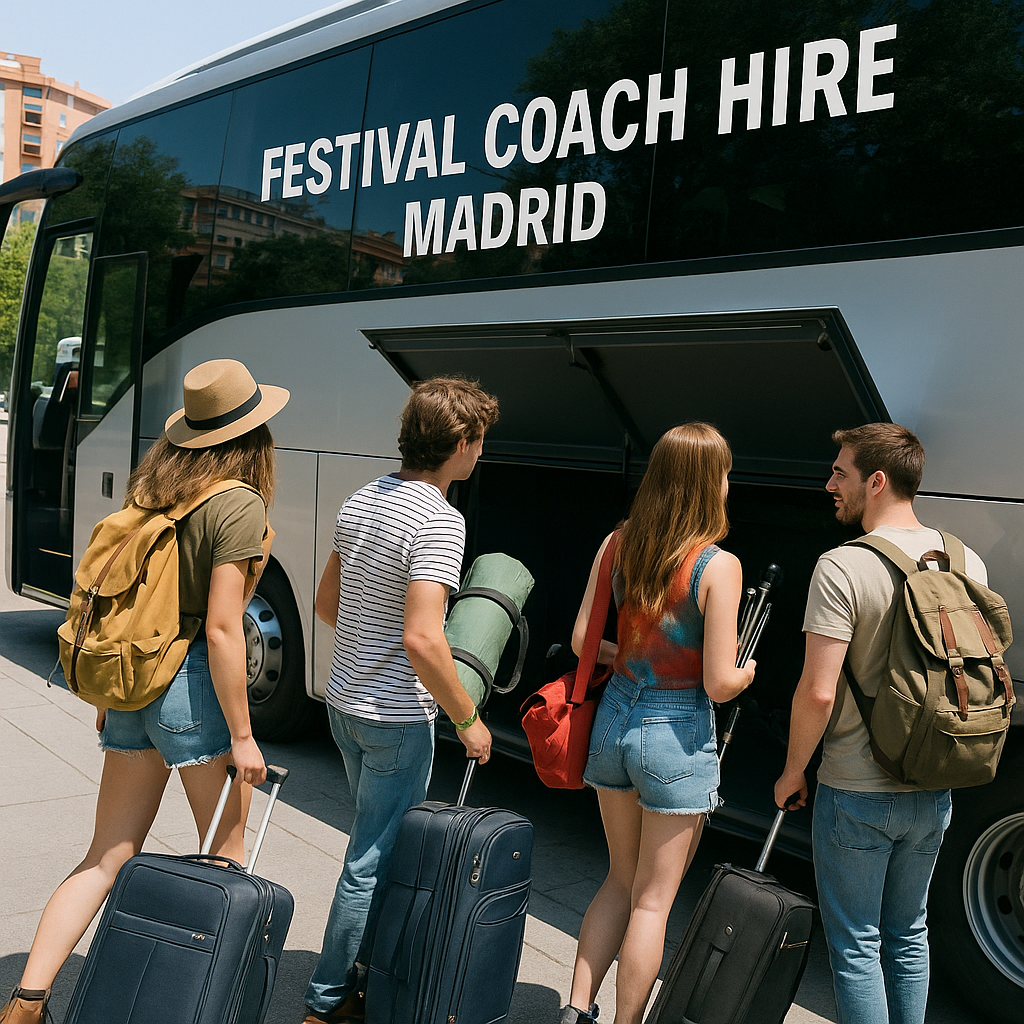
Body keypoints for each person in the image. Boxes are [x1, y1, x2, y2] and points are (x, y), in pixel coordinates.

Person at [0, 358, 288, 1024]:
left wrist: (111, 700)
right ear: (251, 435)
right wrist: (244, 737)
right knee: (227, 860)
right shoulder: (236, 502)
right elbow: (221, 629)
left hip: (132, 687)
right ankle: (206, 1007)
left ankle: (27, 1000)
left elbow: (124, 605)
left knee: (107, 852)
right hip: (187, 685)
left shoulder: (155, 491)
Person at [773, 423, 986, 1024]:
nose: (828, 484)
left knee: (857, 945)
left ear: (877, 480)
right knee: (909, 933)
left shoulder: (842, 567)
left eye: (839, 472)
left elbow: (817, 692)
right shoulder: (970, 561)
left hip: (856, 791)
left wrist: (793, 770)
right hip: (934, 786)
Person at [302, 375, 499, 1024]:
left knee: (371, 848)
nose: (481, 452)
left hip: (344, 704)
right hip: (394, 718)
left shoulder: (365, 498)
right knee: (371, 860)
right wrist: (468, 719)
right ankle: (328, 1001)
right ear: (460, 443)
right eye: (479, 440)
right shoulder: (441, 520)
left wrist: (370, 645)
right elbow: (422, 636)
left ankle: (360, 978)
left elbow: (328, 603)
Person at [560, 422, 757, 1024]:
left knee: (617, 881)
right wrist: (747, 669)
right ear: (705, 482)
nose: (729, 484)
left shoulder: (617, 543)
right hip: (675, 732)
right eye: (723, 473)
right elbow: (721, 683)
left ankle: (574, 1010)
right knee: (652, 902)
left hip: (615, 718)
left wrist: (635, 658)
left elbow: (581, 641)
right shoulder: (718, 566)